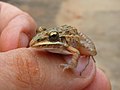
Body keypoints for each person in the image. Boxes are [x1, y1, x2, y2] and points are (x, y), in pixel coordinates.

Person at [0, 1, 111, 90]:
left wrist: (72, 65)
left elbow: (76, 52)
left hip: (72, 36)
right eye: (40, 32)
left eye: (52, 37)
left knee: (91, 51)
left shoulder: (66, 46)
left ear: (56, 38)